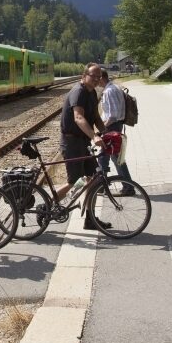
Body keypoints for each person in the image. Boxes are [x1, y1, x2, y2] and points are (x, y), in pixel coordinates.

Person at [57, 63, 110, 231]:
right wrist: (94, 136)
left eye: (98, 77)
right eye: (93, 76)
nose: (96, 80)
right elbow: (79, 117)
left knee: (93, 178)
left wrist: (105, 132)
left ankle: (90, 219)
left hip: (83, 142)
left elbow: (94, 116)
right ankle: (49, 204)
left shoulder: (92, 92)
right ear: (84, 75)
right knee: (74, 182)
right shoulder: (78, 92)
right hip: (71, 142)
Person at [97, 69, 135, 195]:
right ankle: (102, 185)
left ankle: (127, 187)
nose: (96, 81)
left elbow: (112, 115)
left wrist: (101, 130)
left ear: (102, 77)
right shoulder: (115, 87)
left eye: (97, 78)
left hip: (111, 127)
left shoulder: (109, 91)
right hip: (115, 126)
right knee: (107, 157)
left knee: (112, 157)